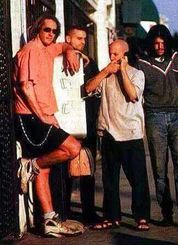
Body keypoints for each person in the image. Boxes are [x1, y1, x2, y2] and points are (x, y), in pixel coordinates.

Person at [13, 14, 86, 237]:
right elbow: (26, 87)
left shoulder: (48, 47)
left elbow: (63, 45)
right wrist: (43, 116)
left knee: (44, 170)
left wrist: (70, 50)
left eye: (54, 31)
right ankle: (29, 165)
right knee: (73, 148)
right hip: (31, 117)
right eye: (47, 30)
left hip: (43, 116)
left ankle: (49, 220)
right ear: (37, 29)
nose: (50, 34)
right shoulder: (30, 50)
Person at [85, 39, 150, 231]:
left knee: (137, 179)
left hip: (131, 132)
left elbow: (132, 95)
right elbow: (88, 88)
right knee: (109, 180)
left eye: (115, 54)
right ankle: (112, 217)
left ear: (125, 55)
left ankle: (141, 217)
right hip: (108, 132)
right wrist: (106, 71)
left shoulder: (137, 74)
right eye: (110, 53)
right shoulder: (105, 75)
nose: (112, 57)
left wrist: (121, 70)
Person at [137, 24, 178, 226]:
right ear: (151, 43)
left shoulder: (177, 59)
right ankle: (166, 211)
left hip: (177, 116)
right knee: (159, 167)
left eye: (163, 43)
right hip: (155, 117)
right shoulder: (142, 63)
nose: (160, 46)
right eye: (156, 43)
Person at [65, 25, 101, 225]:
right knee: (65, 169)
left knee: (88, 168)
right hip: (66, 121)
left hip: (87, 121)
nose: (83, 42)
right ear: (68, 39)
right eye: (78, 38)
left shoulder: (90, 63)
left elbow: (93, 90)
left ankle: (88, 211)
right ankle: (64, 209)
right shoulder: (58, 59)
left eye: (84, 39)